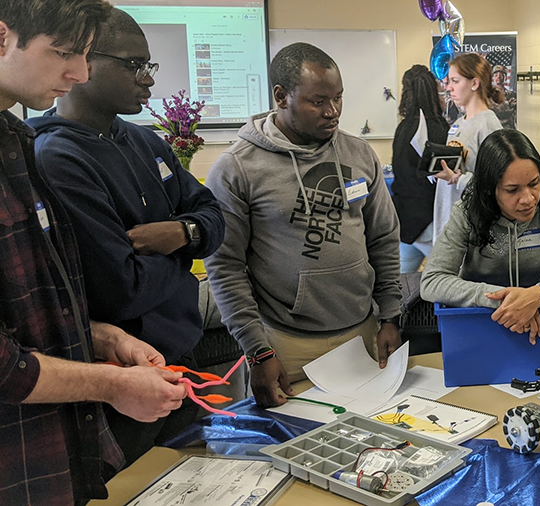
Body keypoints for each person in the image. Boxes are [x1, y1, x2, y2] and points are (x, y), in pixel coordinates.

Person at [0, 2, 189, 505]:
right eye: (63, 53)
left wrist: (97, 337)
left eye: (84, 55)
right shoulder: (54, 149)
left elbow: (31, 307)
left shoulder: (15, 143)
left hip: (49, 456)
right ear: (2, 38)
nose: (78, 73)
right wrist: (109, 385)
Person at [27, 8, 226, 468]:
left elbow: (213, 216)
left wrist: (180, 231)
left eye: (149, 67)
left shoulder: (146, 142)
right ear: (85, 64)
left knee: (198, 484)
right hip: (123, 378)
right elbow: (122, 291)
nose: (148, 81)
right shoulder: (57, 157)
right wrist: (182, 258)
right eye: (135, 66)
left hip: (180, 359)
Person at [204, 42, 402, 408]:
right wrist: (258, 351)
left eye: (339, 98)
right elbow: (225, 267)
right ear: (282, 97)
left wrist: (390, 313)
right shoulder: (237, 168)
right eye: (319, 101)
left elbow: (384, 239)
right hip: (285, 346)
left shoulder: (359, 154)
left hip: (361, 334)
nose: (333, 112)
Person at [421, 129, 540, 342]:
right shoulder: (467, 212)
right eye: (512, 190)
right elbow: (432, 282)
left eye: (534, 183)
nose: (528, 199)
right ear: (490, 190)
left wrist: (538, 295)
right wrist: (507, 301)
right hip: (481, 326)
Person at [432, 52, 504, 242]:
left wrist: (457, 179)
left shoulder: (488, 125)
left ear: (474, 83)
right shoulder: (458, 123)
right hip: (449, 218)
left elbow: (495, 184)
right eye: (448, 82)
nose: (448, 88)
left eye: (455, 81)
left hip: (471, 227)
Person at [391, 65, 449, 273]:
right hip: (431, 219)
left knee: (400, 285)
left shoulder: (403, 128)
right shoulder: (442, 128)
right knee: (448, 280)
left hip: (406, 219)